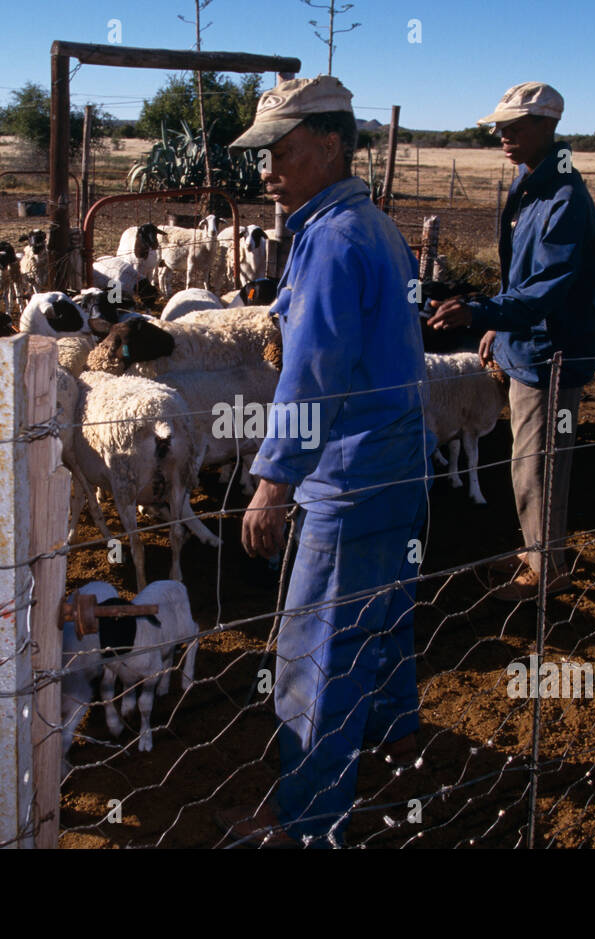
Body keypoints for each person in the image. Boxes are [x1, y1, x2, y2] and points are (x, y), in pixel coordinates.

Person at [228, 74, 434, 846]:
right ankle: (397, 750)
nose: (267, 171)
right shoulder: (374, 227)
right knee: (380, 625)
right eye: (262, 156)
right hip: (398, 464)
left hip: (347, 478)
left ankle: (308, 821)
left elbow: (314, 374)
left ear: (329, 145)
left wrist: (274, 480)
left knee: (312, 655)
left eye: (279, 152)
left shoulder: (331, 240)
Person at [427, 82, 595, 601]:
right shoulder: (533, 182)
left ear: (546, 127)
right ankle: (536, 551)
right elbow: (521, 278)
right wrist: (496, 324)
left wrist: (483, 310)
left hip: (551, 349)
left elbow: (548, 286)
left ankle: (547, 570)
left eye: (513, 128)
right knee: (530, 458)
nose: (502, 137)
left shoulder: (564, 196)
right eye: (499, 129)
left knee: (539, 462)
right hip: (529, 338)